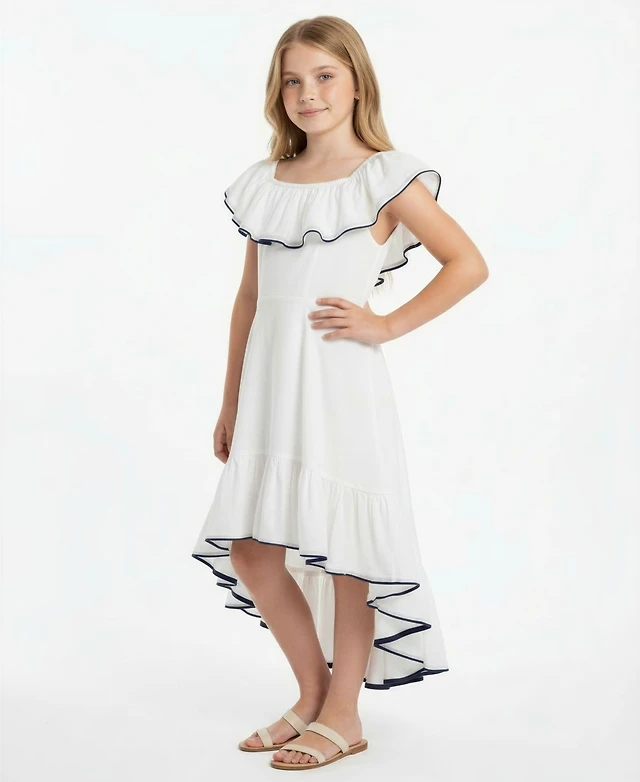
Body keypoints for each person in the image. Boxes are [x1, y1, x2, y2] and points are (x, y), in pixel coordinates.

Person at [191, 15, 489, 771]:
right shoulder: (267, 183)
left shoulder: (385, 177)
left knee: (346, 549)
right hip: (271, 390)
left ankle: (345, 714)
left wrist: (385, 324)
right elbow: (250, 299)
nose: (308, 93)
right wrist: (230, 401)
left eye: (324, 76)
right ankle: (313, 694)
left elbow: (467, 263)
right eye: (293, 80)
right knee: (253, 550)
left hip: (339, 386)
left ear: (356, 83)